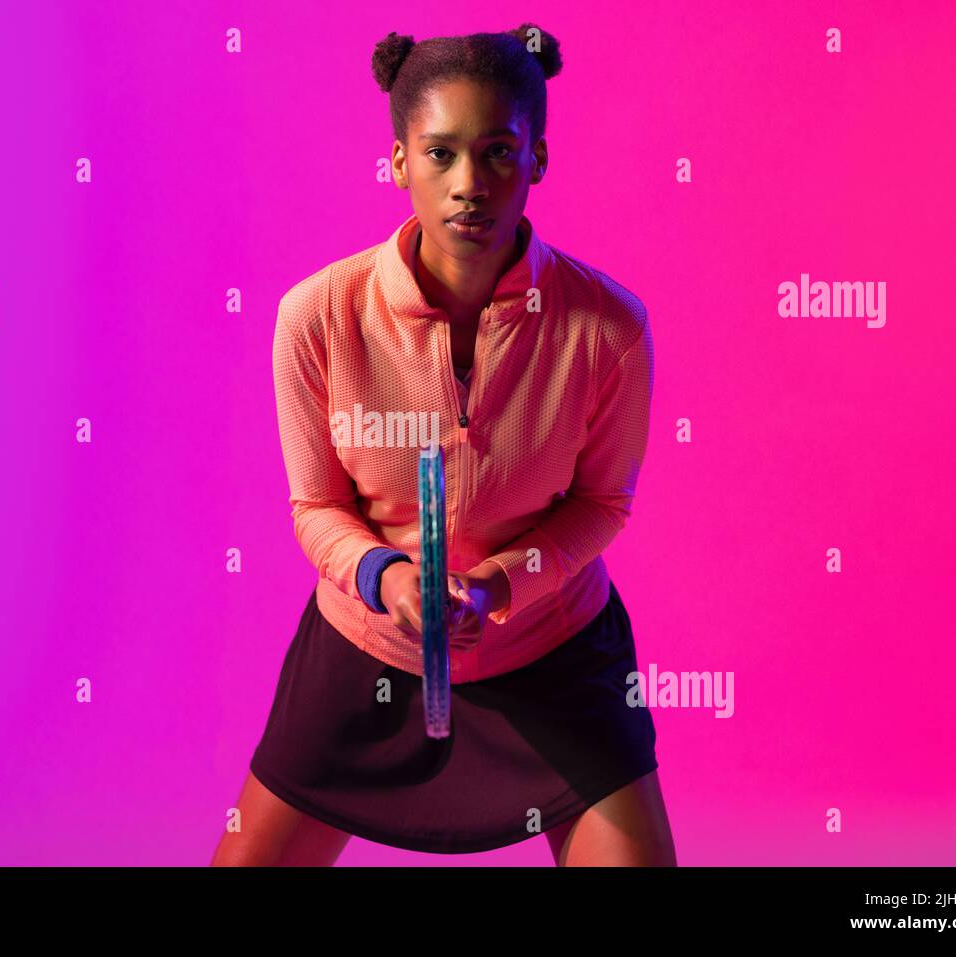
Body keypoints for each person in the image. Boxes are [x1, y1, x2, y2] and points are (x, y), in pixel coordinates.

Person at [212, 23, 675, 866]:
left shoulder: (609, 326)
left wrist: (498, 586)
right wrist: (388, 580)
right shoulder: (314, 316)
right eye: (440, 154)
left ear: (537, 159)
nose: (470, 184)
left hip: (555, 652)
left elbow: (603, 502)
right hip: (367, 647)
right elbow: (317, 508)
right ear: (398, 161)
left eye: (499, 152)